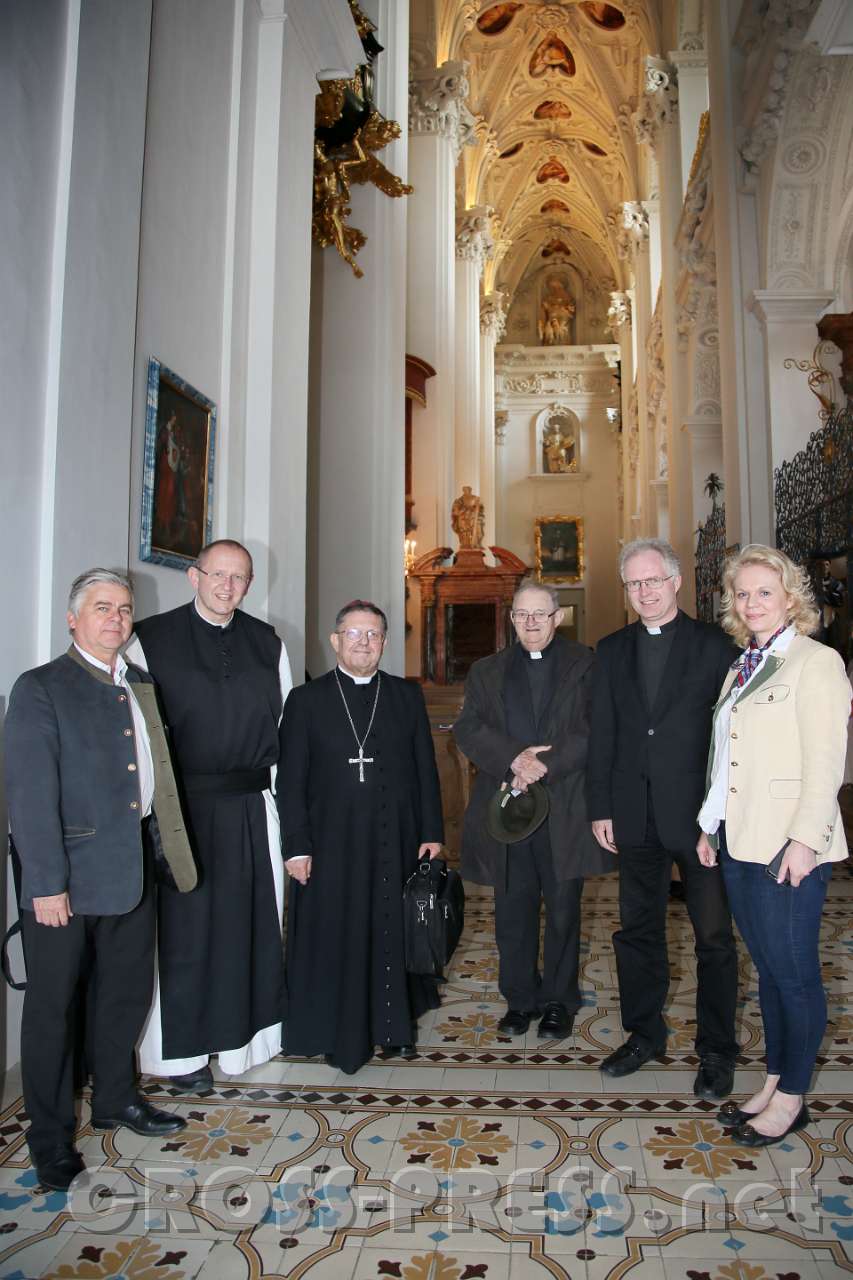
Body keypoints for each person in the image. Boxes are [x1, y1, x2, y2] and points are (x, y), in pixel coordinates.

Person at [5, 569, 194, 1191]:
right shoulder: (41, 688)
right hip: (65, 880)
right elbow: (31, 798)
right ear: (73, 618)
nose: (115, 619)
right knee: (53, 1013)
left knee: (125, 994)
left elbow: (155, 776)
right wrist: (45, 885)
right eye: (102, 608)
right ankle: (51, 1138)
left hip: (132, 868)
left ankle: (116, 1099)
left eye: (124, 609)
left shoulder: (139, 683)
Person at [697, 544, 850, 1145]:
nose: (752, 602)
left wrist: (805, 841)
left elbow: (825, 762)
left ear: (791, 597)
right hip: (740, 839)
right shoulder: (744, 664)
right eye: (743, 593)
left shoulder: (817, 663)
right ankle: (775, 1078)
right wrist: (711, 825)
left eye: (765, 591)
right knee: (766, 970)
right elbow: (726, 759)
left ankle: (793, 1097)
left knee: (794, 974)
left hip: (789, 845)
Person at [126, 539, 293, 1091]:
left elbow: (288, 734)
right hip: (180, 812)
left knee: (249, 927)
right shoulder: (148, 640)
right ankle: (182, 1056)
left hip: (250, 806)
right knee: (185, 933)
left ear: (249, 585)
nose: (228, 586)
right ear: (194, 577)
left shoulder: (268, 643)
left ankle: (241, 1044)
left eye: (239, 577)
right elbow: (132, 734)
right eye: (218, 574)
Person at [586, 538, 740, 1097]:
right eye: (633, 583)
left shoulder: (717, 646)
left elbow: (730, 739)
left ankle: (718, 1049)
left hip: (700, 819)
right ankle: (643, 1033)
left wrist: (719, 815)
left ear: (676, 582)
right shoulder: (610, 649)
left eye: (652, 581)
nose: (644, 592)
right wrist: (600, 806)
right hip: (634, 814)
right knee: (638, 930)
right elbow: (602, 732)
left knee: (715, 937)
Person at [279, 599, 443, 1074]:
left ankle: (394, 1030)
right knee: (336, 931)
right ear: (335, 641)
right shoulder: (306, 701)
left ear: (385, 643)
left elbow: (425, 769)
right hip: (328, 844)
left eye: (373, 635)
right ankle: (334, 1030)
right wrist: (297, 846)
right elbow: (290, 781)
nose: (364, 644)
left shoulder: (405, 696)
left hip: (396, 837)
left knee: (392, 929)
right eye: (354, 634)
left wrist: (432, 831)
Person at [454, 579, 614, 1039]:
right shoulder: (486, 670)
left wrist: (546, 763)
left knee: (564, 911)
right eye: (522, 614)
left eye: (539, 615)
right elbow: (469, 727)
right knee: (512, 909)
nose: (530, 623)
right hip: (509, 811)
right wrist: (514, 758)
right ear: (511, 618)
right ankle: (519, 1000)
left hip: (564, 810)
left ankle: (560, 1002)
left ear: (557, 617)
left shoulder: (586, 664)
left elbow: (594, 727)